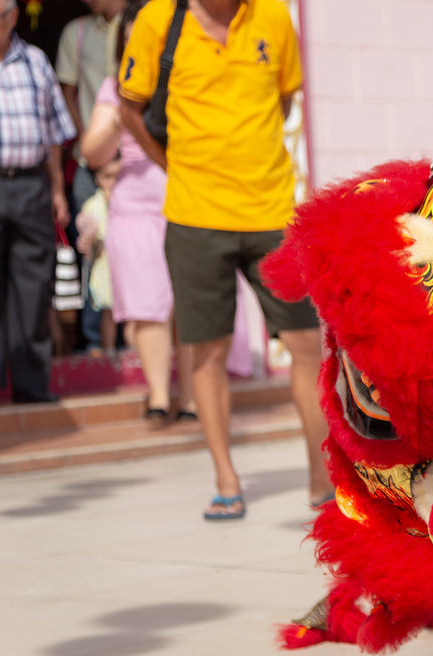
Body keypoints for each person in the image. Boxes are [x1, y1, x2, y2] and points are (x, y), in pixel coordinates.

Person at [119, 0, 329, 519]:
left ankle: (323, 482)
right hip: (195, 215)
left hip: (272, 211)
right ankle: (225, 478)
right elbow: (131, 107)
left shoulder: (273, 16)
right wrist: (177, 165)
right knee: (206, 353)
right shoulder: (156, 21)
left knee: (307, 343)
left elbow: (282, 101)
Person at [82, 0, 194, 427]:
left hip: (186, 200)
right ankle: (160, 397)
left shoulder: (186, 81)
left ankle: (192, 398)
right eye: (132, 35)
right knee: (147, 304)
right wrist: (119, 118)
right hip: (134, 207)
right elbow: (93, 153)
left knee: (187, 304)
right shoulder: (114, 88)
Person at [0, 0, 77, 408]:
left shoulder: (35, 61)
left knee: (35, 286)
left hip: (31, 183)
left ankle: (32, 383)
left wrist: (55, 191)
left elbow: (53, 133)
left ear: (12, 16)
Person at [57, 0, 124, 354]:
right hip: (89, 161)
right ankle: (94, 338)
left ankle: (135, 336)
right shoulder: (76, 33)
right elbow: (67, 94)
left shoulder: (144, 24)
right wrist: (90, 143)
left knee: (135, 248)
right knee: (92, 250)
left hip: (136, 159)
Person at [74, 157, 118, 357]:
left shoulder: (127, 202)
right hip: (104, 272)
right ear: (98, 179)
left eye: (117, 176)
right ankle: (103, 349)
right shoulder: (94, 204)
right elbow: (84, 222)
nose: (113, 182)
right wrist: (85, 237)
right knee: (104, 314)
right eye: (107, 176)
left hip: (126, 271)